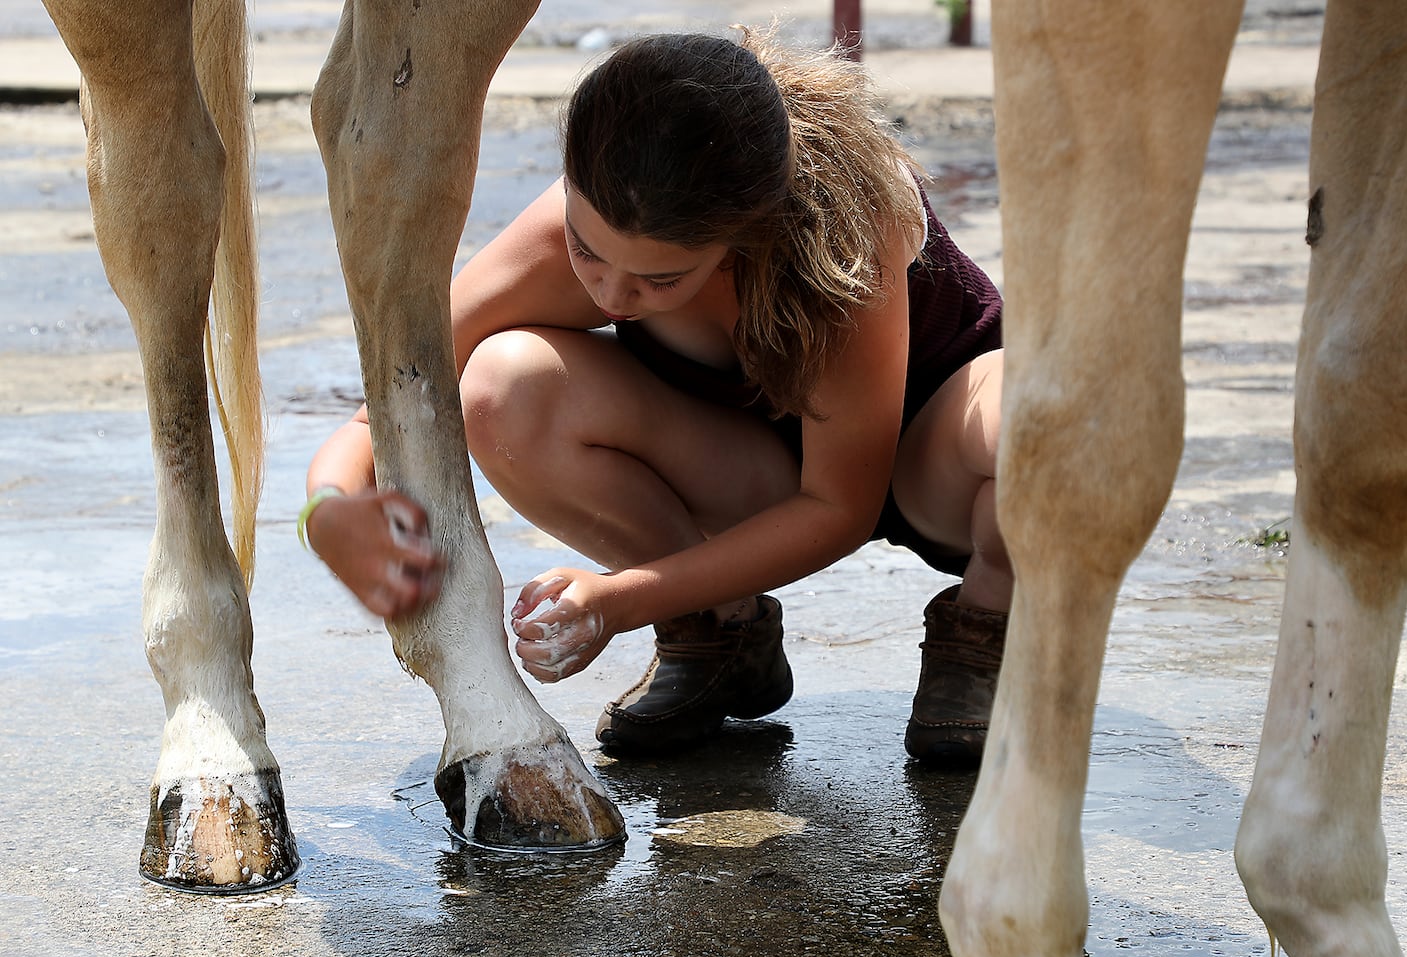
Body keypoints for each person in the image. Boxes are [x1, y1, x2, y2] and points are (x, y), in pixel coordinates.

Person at [301, 28, 1010, 766]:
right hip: (756, 466)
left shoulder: (845, 222)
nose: (609, 291)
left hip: (942, 463)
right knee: (501, 386)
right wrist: (327, 507)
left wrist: (622, 600)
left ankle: (986, 627)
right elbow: (397, 388)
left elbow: (840, 507)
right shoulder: (591, 214)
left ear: (748, 231)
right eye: (586, 250)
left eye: (660, 280)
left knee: (1036, 420)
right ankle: (717, 629)